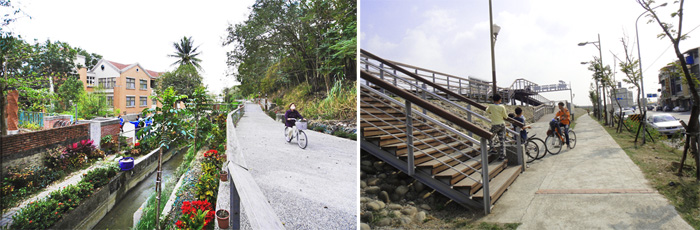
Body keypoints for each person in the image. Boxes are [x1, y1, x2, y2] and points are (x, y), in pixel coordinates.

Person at [486, 94, 508, 160]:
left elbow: (487, 111)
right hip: (502, 124)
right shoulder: (502, 107)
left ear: (493, 100)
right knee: (502, 140)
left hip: (495, 125)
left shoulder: (491, 106)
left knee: (489, 136)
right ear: (499, 100)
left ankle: (493, 148)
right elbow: (506, 116)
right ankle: (502, 155)